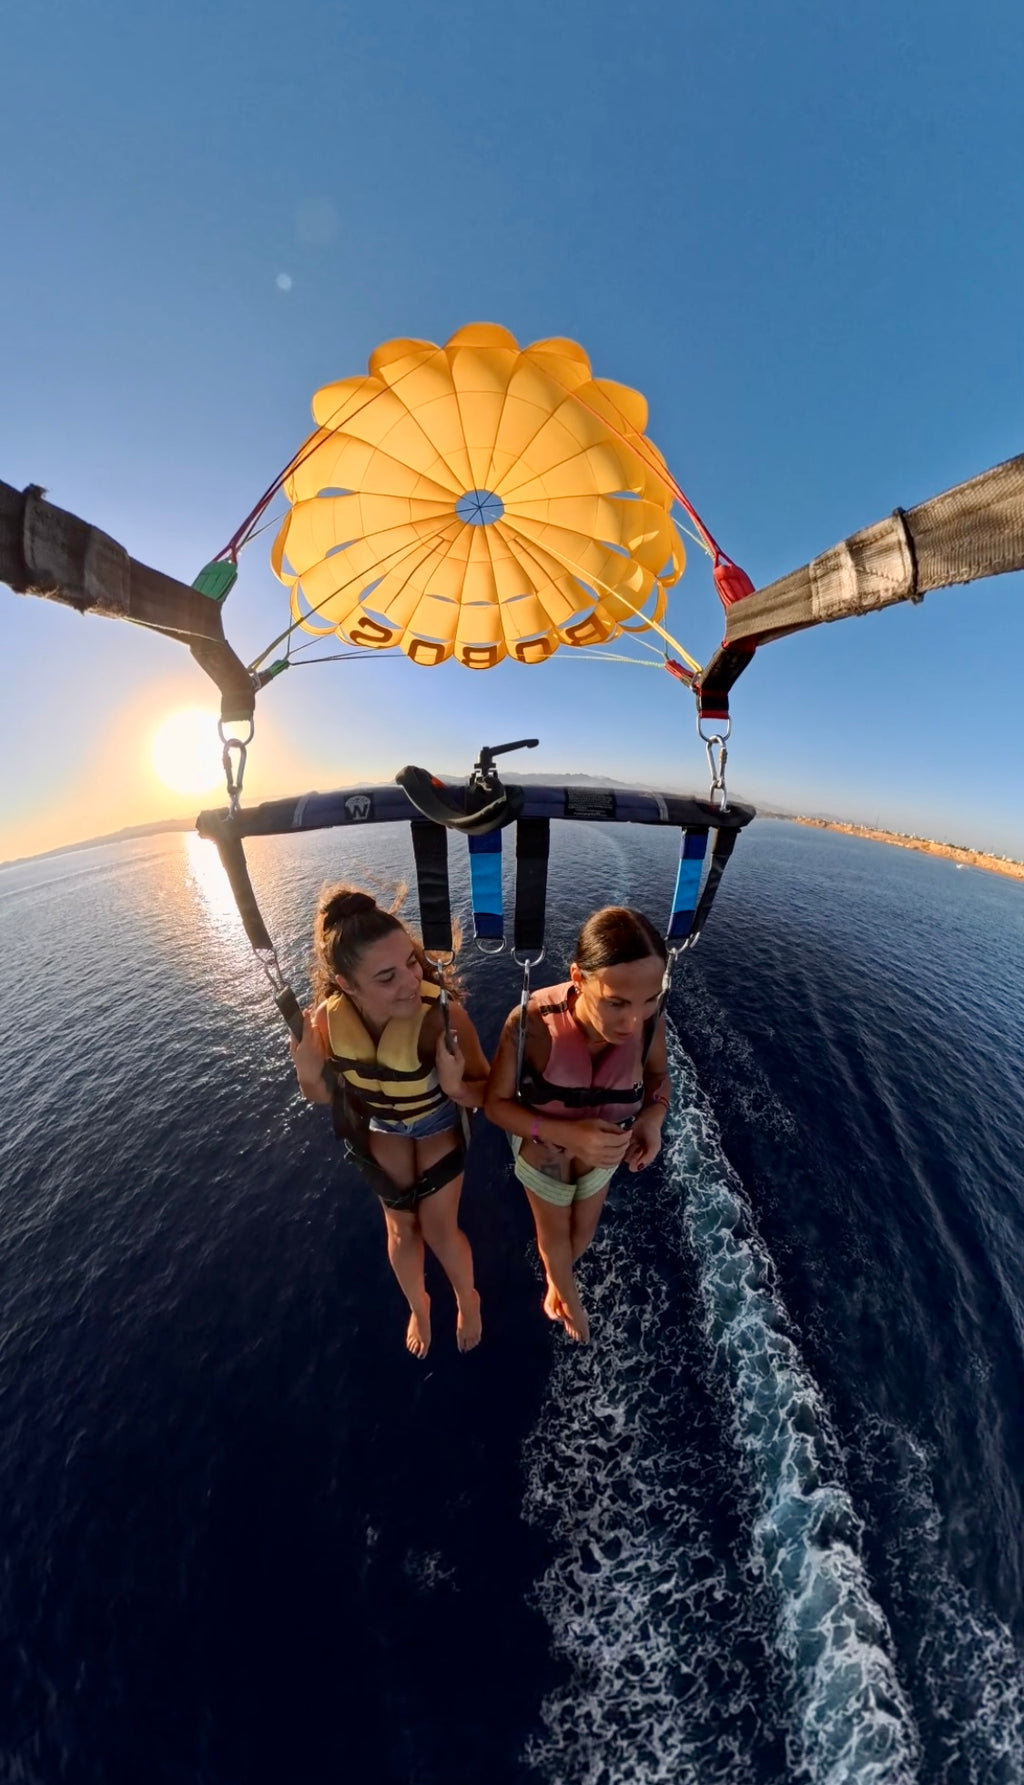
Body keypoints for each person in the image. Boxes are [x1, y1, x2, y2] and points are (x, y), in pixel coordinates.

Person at [290, 886, 490, 1359]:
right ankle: (418, 1305)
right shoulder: (325, 1022)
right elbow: (322, 1097)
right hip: (384, 1127)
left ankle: (467, 1297)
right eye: (386, 977)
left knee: (440, 1228)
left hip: (437, 1120)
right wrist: (306, 1068)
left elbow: (492, 1097)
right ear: (346, 984)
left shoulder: (442, 1017)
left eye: (410, 964)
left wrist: (456, 1085)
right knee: (401, 1228)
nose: (409, 981)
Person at [485, 907, 671, 1343]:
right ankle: (564, 1293)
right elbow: (495, 1105)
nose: (633, 1021)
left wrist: (653, 1117)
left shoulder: (648, 1023)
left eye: (649, 1000)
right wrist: (568, 1134)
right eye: (617, 1002)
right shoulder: (530, 1024)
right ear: (578, 976)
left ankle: (558, 1279)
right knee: (553, 1238)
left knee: (580, 1235)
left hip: (605, 1148)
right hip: (543, 1143)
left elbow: (659, 1078)